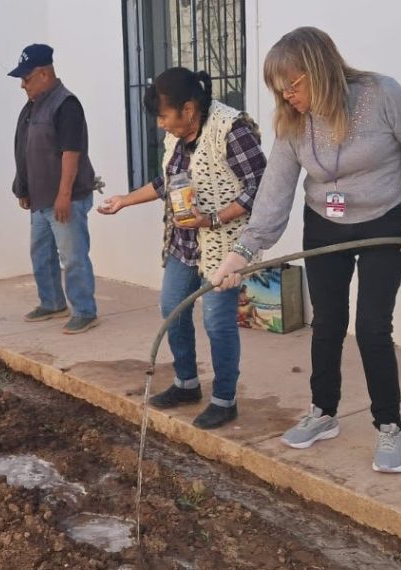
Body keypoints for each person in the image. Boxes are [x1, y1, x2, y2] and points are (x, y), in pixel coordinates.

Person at [211, 27, 401, 473]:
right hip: (324, 225)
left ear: (319, 69)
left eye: (293, 84)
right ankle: (323, 412)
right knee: (328, 323)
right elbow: (275, 192)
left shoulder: (381, 95)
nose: (286, 94)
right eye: (278, 87)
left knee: (373, 326)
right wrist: (241, 253)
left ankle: (390, 425)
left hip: (384, 221)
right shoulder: (293, 122)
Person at [98, 67, 266, 429]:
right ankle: (186, 383)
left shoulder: (230, 129)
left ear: (188, 109)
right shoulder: (177, 137)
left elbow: (260, 186)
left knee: (217, 321)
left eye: (164, 115)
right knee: (171, 306)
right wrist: (124, 201)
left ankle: (224, 399)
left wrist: (215, 219)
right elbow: (167, 181)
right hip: (184, 241)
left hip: (224, 244)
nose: (160, 124)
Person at [9, 43, 99, 335]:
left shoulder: (66, 104)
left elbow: (71, 152)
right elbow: (25, 149)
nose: (23, 85)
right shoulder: (33, 106)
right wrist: (23, 188)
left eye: (27, 78)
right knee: (41, 253)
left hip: (64, 199)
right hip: (39, 198)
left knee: (72, 255)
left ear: (45, 74)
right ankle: (51, 303)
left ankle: (85, 311)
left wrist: (64, 195)